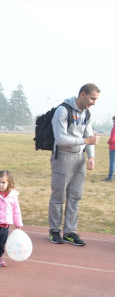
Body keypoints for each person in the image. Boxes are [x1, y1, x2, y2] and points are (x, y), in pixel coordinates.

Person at [48, 83, 100, 246]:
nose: (94, 102)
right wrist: (85, 141)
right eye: (92, 98)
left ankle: (70, 232)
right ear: (82, 94)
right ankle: (54, 231)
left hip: (79, 158)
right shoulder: (63, 110)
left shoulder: (87, 113)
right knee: (59, 196)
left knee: (75, 196)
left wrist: (91, 155)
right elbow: (61, 139)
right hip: (63, 157)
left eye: (96, 99)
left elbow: (89, 134)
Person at [102, 116, 115, 181]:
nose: (113, 122)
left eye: (113, 121)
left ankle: (110, 177)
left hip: (113, 147)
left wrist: (108, 142)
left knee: (112, 162)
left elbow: (112, 139)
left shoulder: (114, 128)